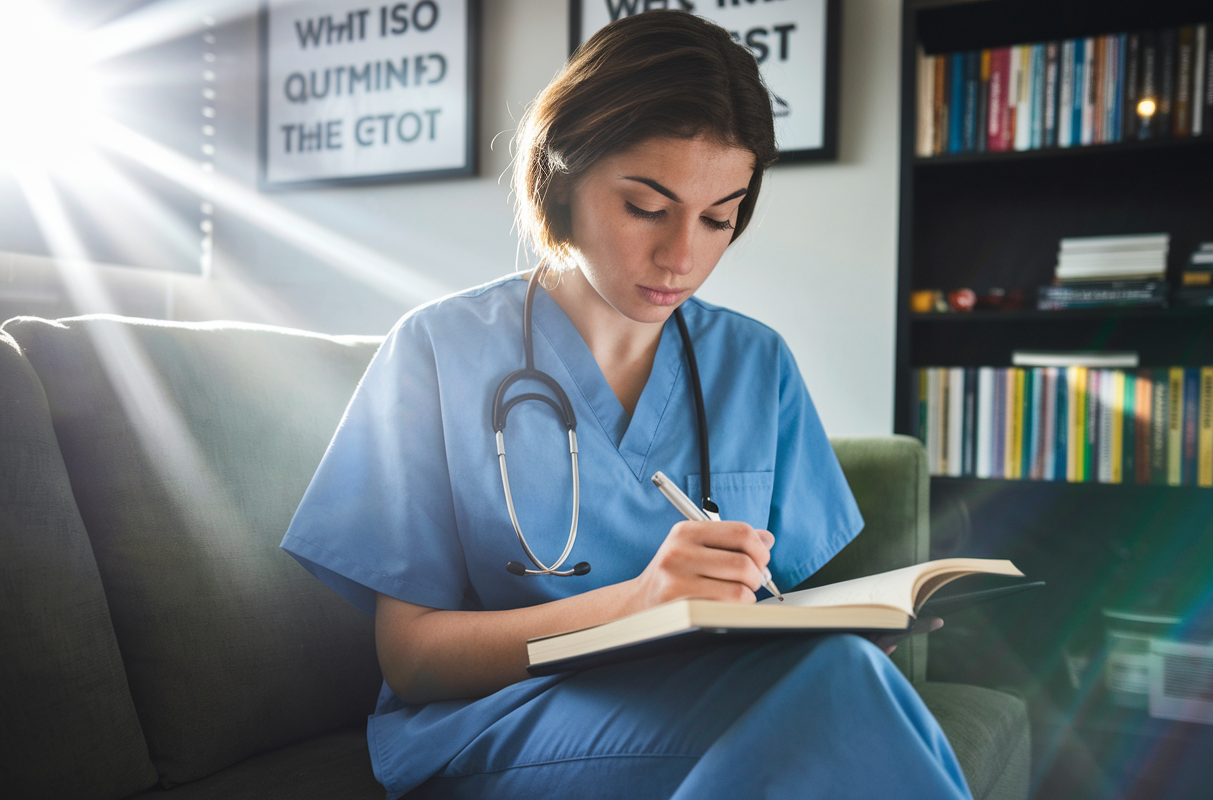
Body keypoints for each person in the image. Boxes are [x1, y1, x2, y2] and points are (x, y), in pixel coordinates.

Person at [281, 10, 971, 799]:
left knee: (842, 677)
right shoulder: (436, 351)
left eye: (719, 218)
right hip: (500, 717)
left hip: (698, 694)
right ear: (563, 175)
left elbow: (776, 602)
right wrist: (641, 600)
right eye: (647, 207)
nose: (683, 257)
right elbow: (414, 661)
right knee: (841, 717)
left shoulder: (756, 362)